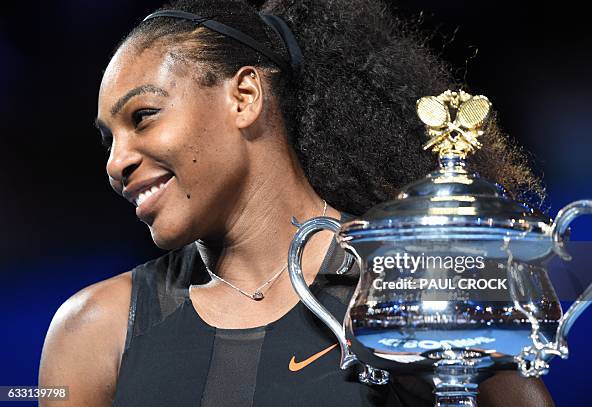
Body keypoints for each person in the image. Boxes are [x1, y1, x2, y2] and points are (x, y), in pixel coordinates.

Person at [39, 0, 554, 405]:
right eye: (108, 140)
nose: (115, 163)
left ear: (243, 97)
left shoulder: (416, 282)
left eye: (143, 116)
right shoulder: (89, 331)